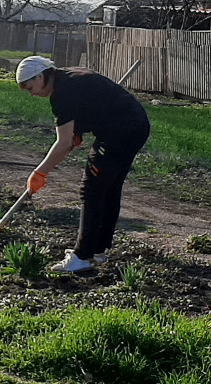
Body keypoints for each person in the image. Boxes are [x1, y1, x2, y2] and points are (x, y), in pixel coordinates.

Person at [15, 56, 151, 273]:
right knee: (109, 190)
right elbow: (89, 105)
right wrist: (78, 131)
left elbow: (63, 143)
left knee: (92, 191)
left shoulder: (62, 94)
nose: (32, 94)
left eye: (30, 87)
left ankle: (82, 257)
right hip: (137, 125)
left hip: (119, 133)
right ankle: (99, 249)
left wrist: (40, 172)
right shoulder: (68, 77)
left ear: (41, 76)